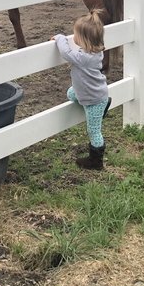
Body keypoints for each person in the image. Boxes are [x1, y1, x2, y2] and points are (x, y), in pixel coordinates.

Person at [53, 9, 112, 170]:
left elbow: (65, 52)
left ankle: (96, 161)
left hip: (94, 100)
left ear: (84, 40)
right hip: (92, 92)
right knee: (71, 94)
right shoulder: (94, 53)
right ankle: (104, 103)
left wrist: (60, 38)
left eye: (76, 35)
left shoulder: (83, 58)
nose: (74, 37)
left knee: (93, 130)